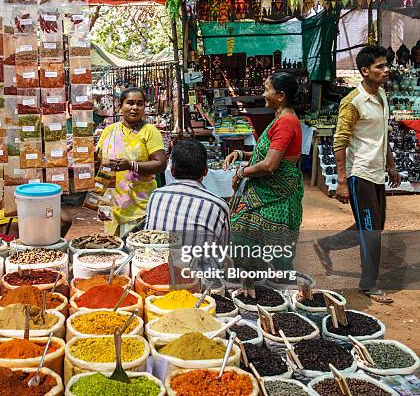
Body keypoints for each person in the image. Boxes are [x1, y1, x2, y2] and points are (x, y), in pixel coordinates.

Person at [313, 45, 400, 303]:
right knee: (371, 230)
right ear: (364, 71)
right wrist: (341, 180)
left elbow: (382, 135)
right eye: (379, 66)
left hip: (376, 173)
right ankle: (369, 283)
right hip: (359, 173)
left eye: (386, 65)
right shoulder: (353, 102)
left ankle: (327, 244)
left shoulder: (382, 95)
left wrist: (391, 165)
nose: (386, 70)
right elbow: (339, 141)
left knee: (374, 225)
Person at [223, 72, 304, 271]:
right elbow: (270, 153)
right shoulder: (282, 119)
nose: (263, 94)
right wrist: (242, 153)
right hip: (268, 193)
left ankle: (279, 290)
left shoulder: (285, 123)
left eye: (267, 90)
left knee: (270, 250)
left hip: (274, 198)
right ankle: (257, 283)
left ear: (281, 96)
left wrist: (242, 172)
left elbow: (269, 165)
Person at [96, 87, 167, 237]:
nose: (135, 107)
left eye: (140, 104)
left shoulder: (150, 131)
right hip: (111, 205)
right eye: (130, 103)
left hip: (138, 207)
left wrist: (131, 165)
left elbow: (160, 164)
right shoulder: (109, 131)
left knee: (136, 251)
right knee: (113, 249)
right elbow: (100, 165)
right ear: (120, 106)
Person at [145, 139, 230, 249]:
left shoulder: (155, 195)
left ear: (172, 171)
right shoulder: (218, 205)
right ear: (206, 171)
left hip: (157, 263)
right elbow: (225, 250)